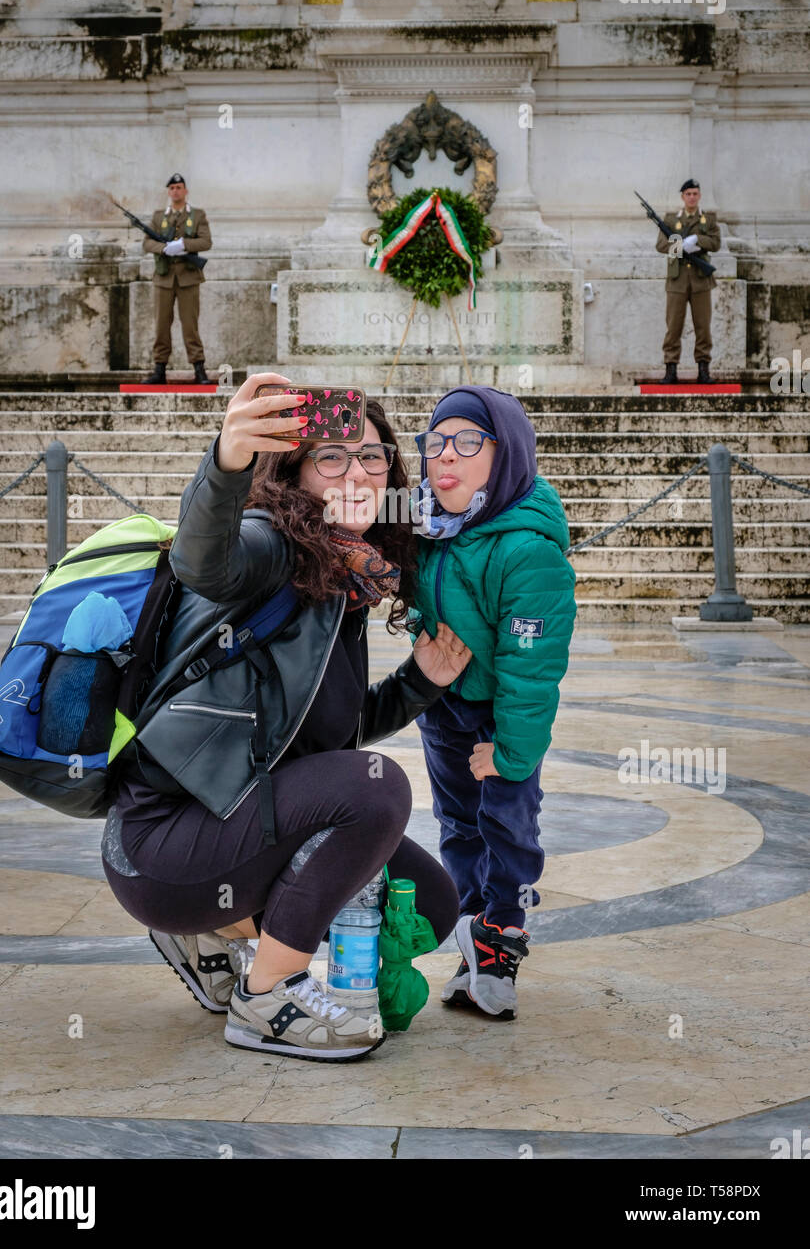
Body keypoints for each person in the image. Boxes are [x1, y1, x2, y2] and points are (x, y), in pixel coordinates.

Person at [101, 372, 468, 1062]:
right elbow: (202, 560)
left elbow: (331, 738)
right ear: (296, 472)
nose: (357, 471)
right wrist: (227, 460)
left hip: (231, 823)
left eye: (372, 456)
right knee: (379, 785)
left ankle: (214, 936)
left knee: (429, 903)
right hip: (162, 844)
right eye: (331, 456)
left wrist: (421, 682)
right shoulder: (269, 549)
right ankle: (266, 996)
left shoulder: (344, 577)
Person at [408, 386, 576, 1020]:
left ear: (505, 455)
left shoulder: (526, 548)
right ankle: (473, 935)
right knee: (457, 825)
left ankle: (503, 932)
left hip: (500, 715)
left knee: (507, 825)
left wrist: (510, 752)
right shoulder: (430, 525)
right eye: (436, 442)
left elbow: (532, 670)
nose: (446, 456)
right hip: (445, 707)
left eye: (469, 441)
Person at [141, 174, 212, 386]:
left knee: (190, 326)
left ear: (185, 190)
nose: (175, 191)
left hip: (188, 278)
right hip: (164, 279)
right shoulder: (158, 217)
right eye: (172, 188)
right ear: (168, 192)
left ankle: (199, 369)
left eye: (179, 187)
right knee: (161, 325)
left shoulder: (197, 215)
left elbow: (206, 242)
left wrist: (183, 245)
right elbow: (147, 243)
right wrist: (164, 248)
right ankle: (159, 369)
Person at [655, 178, 722, 385]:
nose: (691, 197)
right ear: (683, 197)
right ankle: (670, 369)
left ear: (699, 195)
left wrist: (697, 242)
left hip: (701, 281)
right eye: (688, 194)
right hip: (677, 281)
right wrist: (680, 247)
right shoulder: (671, 220)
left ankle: (703, 370)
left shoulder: (708, 220)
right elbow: (660, 245)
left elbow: (716, 243)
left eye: (695, 193)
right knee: (673, 326)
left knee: (703, 327)